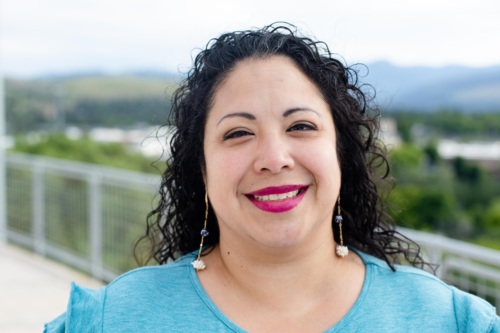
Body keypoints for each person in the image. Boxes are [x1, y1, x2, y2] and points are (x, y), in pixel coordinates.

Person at [44, 23, 499, 332]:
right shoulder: (113, 320)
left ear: (340, 153)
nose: (274, 157)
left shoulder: (451, 321)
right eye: (238, 133)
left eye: (301, 126)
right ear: (200, 169)